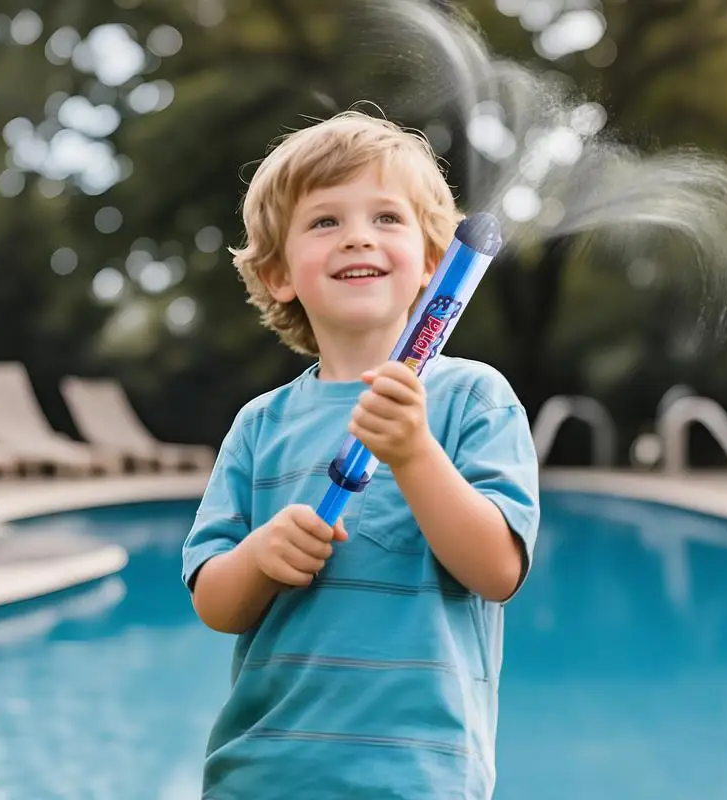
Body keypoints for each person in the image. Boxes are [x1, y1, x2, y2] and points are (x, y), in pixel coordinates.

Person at [181, 109, 540, 799]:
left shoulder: (472, 399)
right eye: (324, 222)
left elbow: (498, 570)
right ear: (278, 272)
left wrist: (413, 453)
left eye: (386, 218)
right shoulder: (260, 425)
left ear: (437, 265)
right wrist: (257, 558)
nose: (356, 238)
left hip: (416, 777)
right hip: (261, 776)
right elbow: (215, 602)